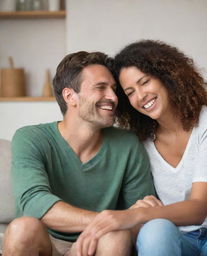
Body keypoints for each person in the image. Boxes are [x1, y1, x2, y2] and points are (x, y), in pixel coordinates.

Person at [78, 40, 207, 256]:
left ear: (167, 76)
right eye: (130, 92)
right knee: (156, 230)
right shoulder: (140, 139)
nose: (140, 96)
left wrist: (130, 216)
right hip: (181, 237)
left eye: (144, 82)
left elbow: (199, 208)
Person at [2, 51, 155, 256]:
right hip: (45, 243)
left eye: (114, 89)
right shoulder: (31, 138)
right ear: (69, 96)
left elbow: (142, 217)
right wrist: (109, 220)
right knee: (23, 228)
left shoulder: (127, 144)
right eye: (101, 87)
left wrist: (118, 223)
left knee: (117, 234)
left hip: (98, 244)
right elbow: (34, 203)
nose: (113, 97)